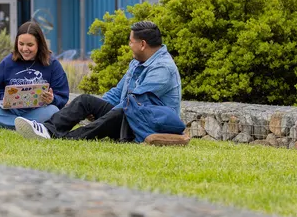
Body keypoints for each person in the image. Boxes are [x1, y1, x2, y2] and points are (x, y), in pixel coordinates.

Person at [14, 20, 181, 141]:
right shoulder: (137, 63)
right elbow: (118, 92)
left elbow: (136, 104)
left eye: (131, 42)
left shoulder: (162, 69)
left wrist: (107, 115)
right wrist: (97, 108)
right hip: (129, 115)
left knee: (119, 112)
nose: (129, 45)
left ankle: (67, 138)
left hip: (147, 125)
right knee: (86, 100)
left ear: (142, 44)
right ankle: (47, 129)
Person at [0, 21, 70, 129]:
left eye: (30, 45)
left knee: (53, 111)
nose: (25, 49)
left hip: (37, 111)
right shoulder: (8, 62)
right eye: (21, 44)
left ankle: (7, 124)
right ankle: (26, 126)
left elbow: (62, 96)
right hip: (9, 111)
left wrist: (52, 99)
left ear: (39, 44)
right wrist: (6, 98)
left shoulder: (52, 64)